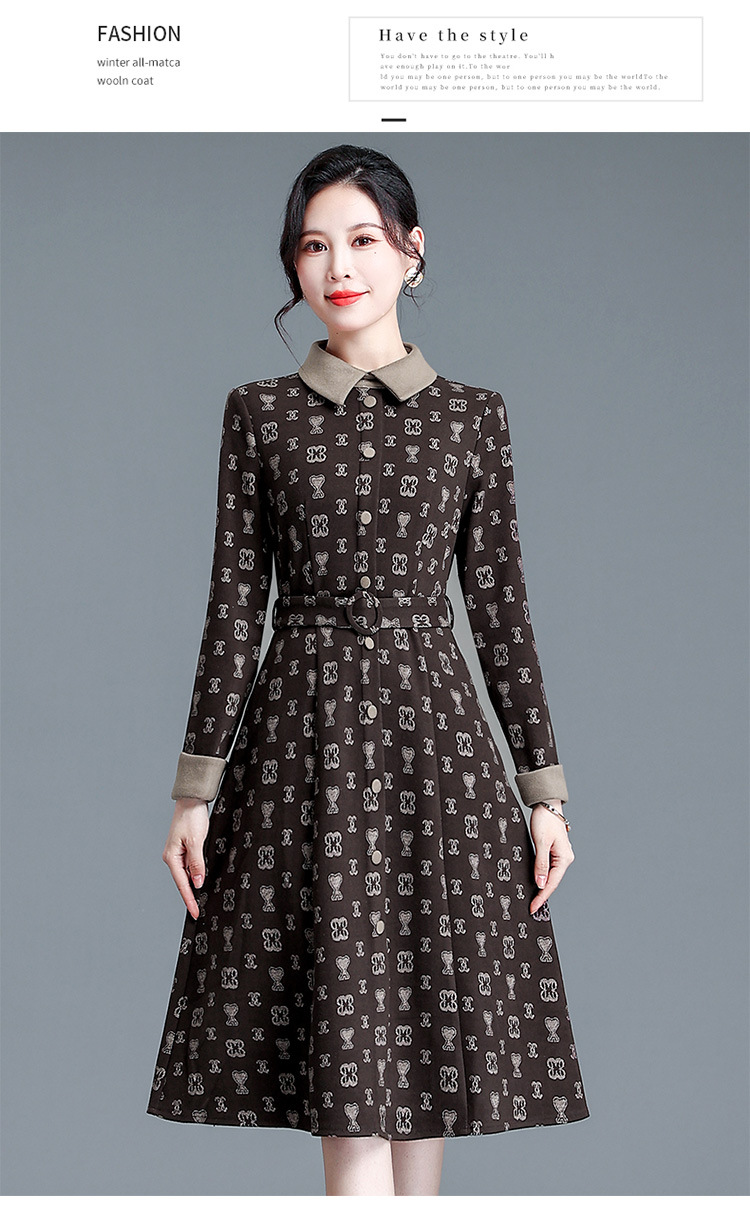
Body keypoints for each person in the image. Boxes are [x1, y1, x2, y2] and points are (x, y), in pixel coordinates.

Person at [146, 144, 590, 1196]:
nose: (338, 266)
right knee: (345, 1051)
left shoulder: (473, 415)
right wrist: (194, 792)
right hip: (303, 746)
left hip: (437, 751)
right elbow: (232, 608)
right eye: (313, 246)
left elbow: (501, 611)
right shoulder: (259, 412)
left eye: (362, 239)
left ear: (412, 250)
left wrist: (544, 792)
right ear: (293, 266)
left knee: (425, 1045)